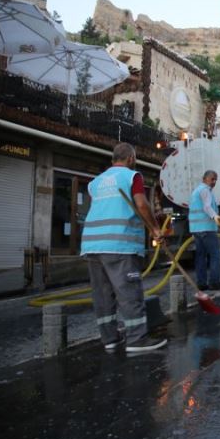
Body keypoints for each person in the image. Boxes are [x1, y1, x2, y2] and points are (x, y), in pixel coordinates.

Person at [81, 143, 167, 353]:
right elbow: (142, 204)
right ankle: (137, 339)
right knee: (129, 292)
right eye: (134, 158)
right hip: (119, 244)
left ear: (113, 159)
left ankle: (110, 339)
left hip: (92, 245)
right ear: (130, 158)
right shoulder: (131, 176)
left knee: (103, 295)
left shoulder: (96, 183)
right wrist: (155, 229)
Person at [189, 170, 220, 291]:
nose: (214, 182)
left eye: (216, 179)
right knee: (215, 255)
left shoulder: (196, 190)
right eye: (212, 179)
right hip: (207, 229)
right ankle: (214, 282)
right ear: (205, 179)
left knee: (200, 256)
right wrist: (217, 219)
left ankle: (201, 283)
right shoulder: (205, 190)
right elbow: (207, 207)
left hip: (196, 230)